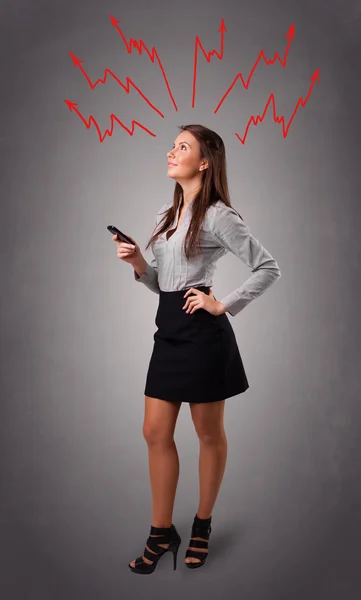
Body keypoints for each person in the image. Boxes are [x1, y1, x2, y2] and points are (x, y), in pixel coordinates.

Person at [112, 124, 281, 574]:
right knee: (154, 431)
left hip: (204, 339)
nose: (171, 151)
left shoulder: (220, 216)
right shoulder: (165, 217)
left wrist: (222, 303)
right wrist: (137, 264)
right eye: (172, 145)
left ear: (204, 162)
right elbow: (162, 285)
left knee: (209, 434)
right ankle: (162, 531)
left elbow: (268, 267)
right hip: (168, 331)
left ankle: (202, 523)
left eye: (182, 147)